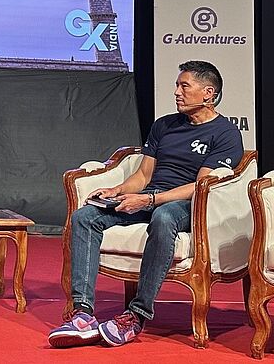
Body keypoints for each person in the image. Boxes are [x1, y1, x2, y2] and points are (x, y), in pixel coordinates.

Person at [49, 60, 243, 348]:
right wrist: (116, 190)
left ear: (208, 93)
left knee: (163, 217)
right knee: (84, 217)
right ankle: (83, 314)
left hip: (188, 205)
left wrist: (150, 199)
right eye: (177, 85)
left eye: (184, 86)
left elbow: (199, 187)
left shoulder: (225, 134)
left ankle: (136, 316)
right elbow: (142, 175)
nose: (176, 92)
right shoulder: (164, 125)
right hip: (149, 197)